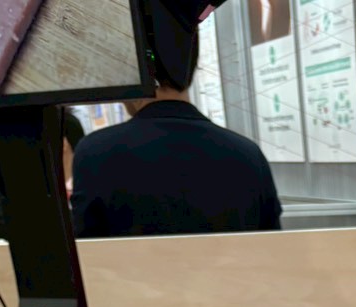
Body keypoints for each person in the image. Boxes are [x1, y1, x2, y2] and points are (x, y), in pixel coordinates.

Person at [71, 42, 281, 238]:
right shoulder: (249, 154)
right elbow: (272, 247)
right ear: (191, 67)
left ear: (130, 72)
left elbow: (85, 250)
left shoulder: (95, 153)